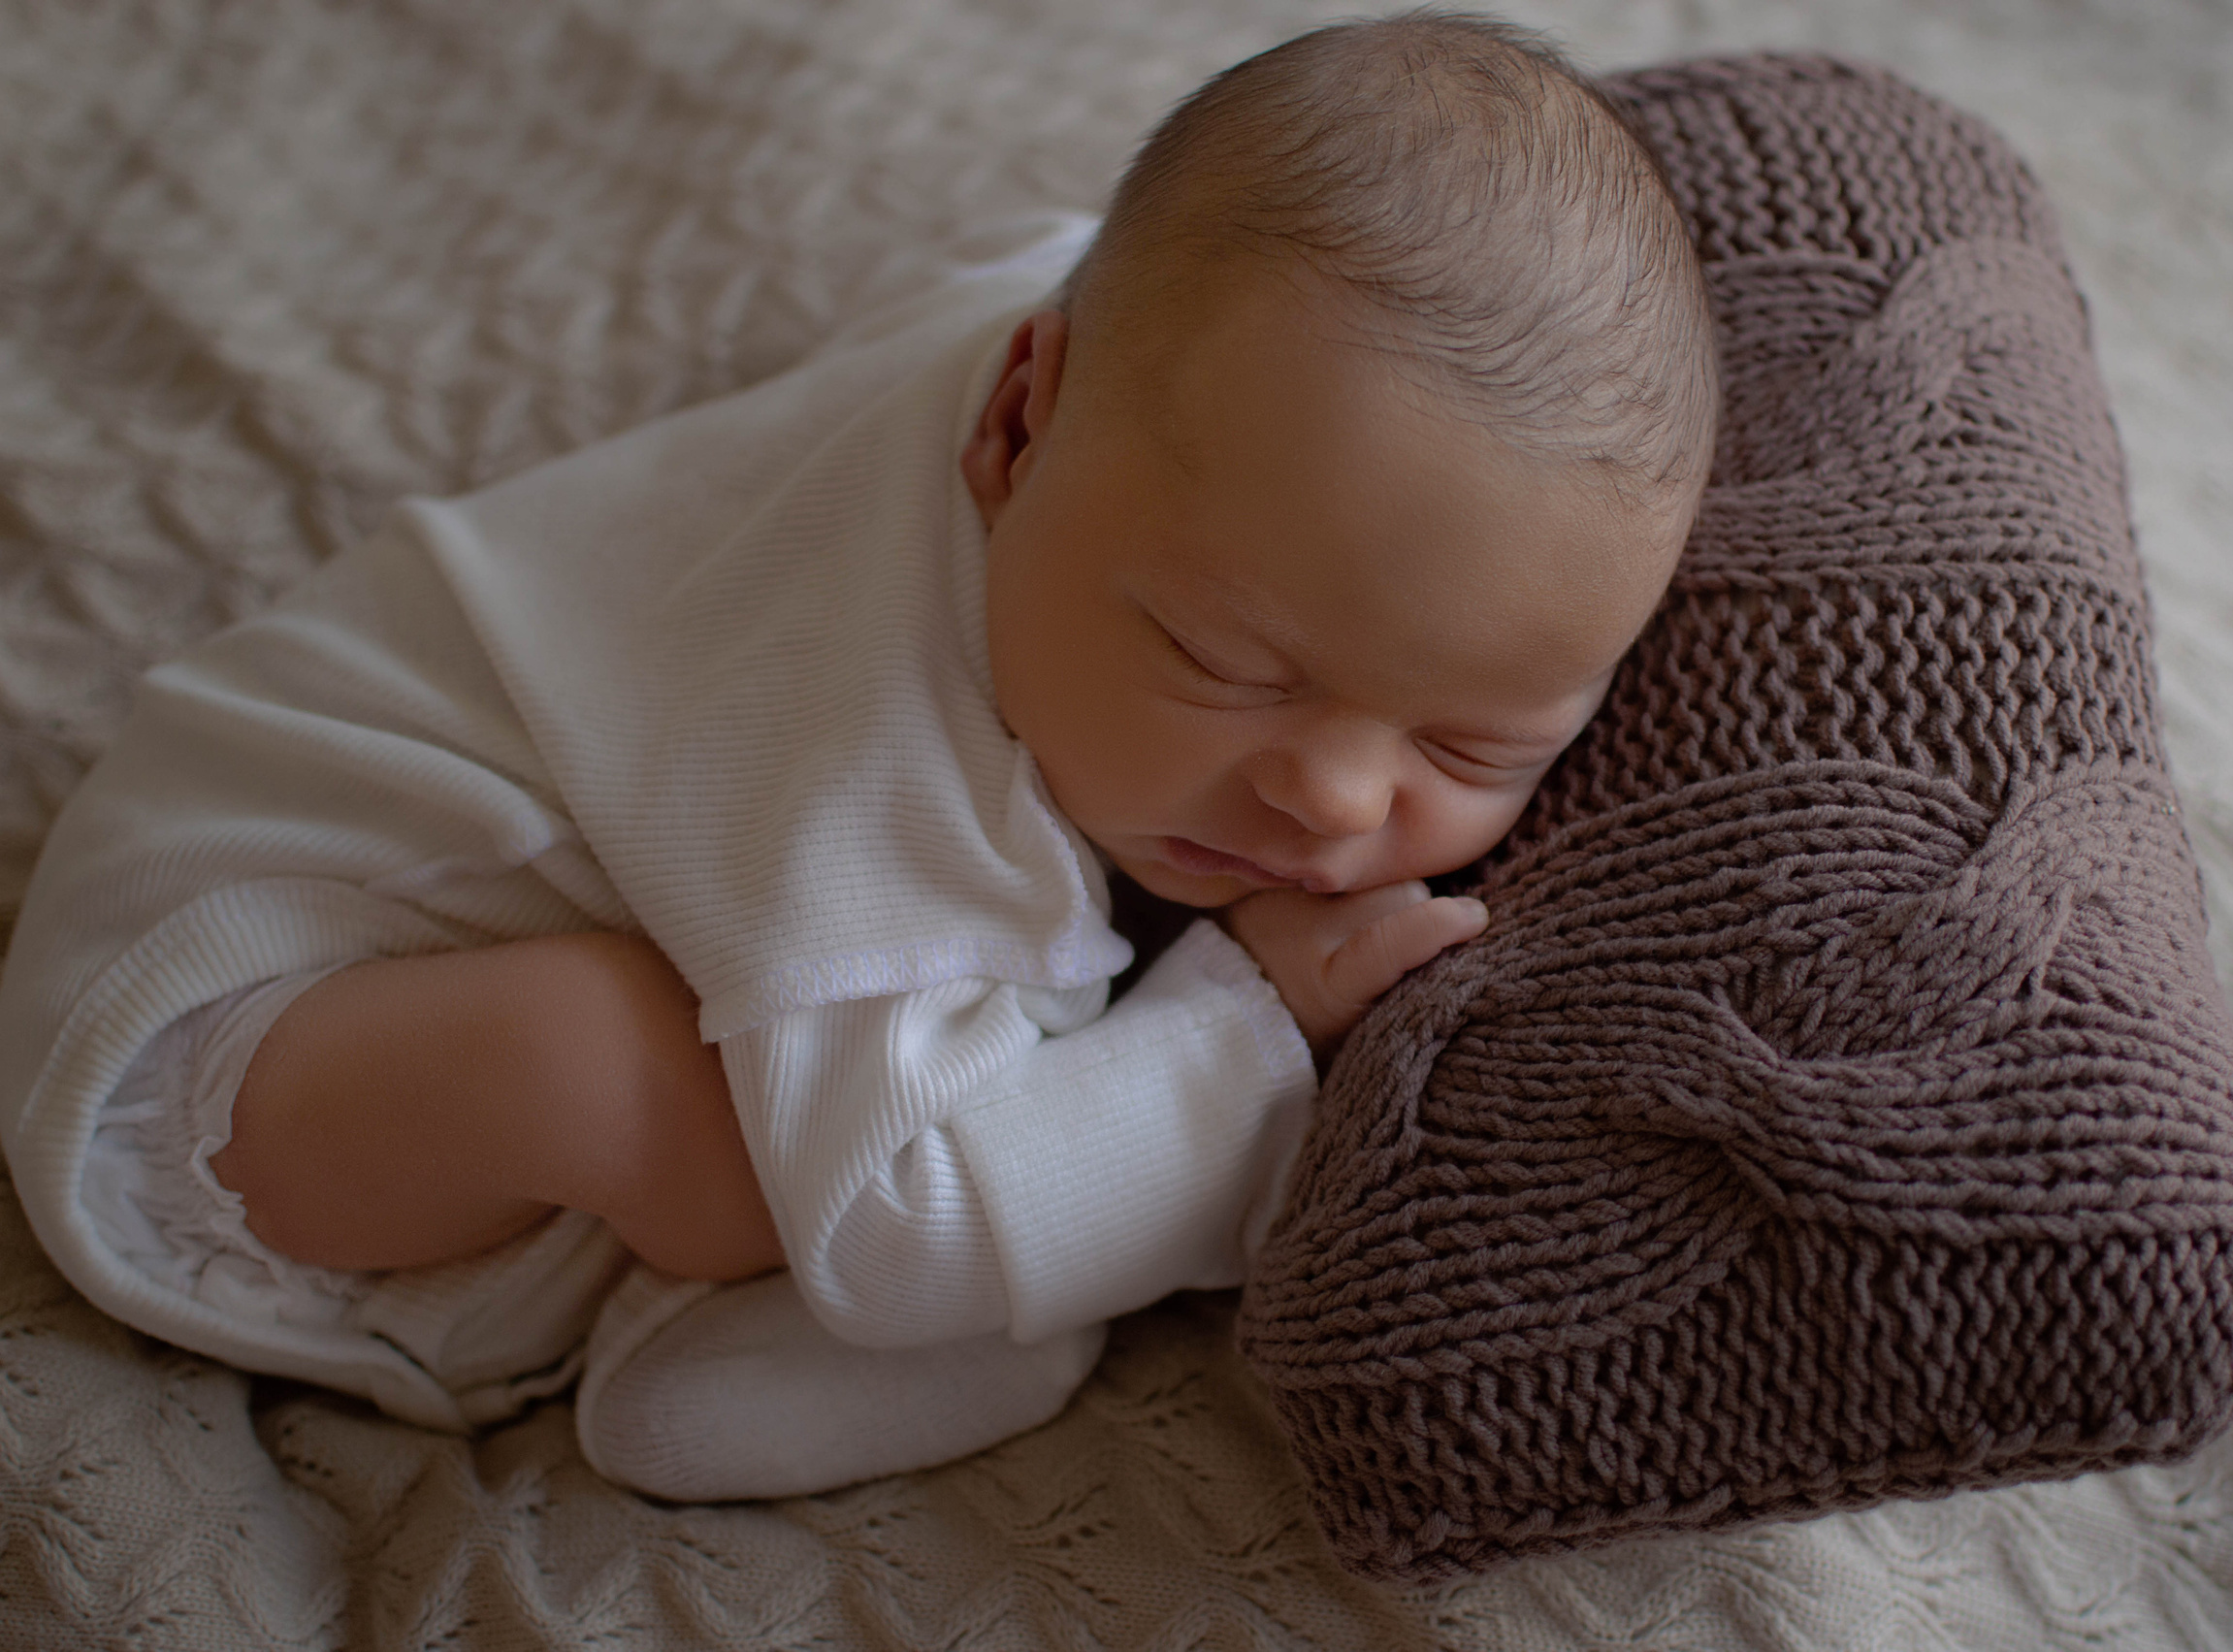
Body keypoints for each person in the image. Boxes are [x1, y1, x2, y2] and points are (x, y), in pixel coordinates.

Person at [0, 11, 1717, 1500]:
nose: (1340, 801)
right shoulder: (873, 784)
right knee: (601, 1053)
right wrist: (1247, 1038)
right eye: (1223, 659)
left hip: (305, 907)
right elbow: (907, 1227)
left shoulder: (1103, 373)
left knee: (669, 1052)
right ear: (1019, 420)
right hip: (217, 1049)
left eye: (1473, 741)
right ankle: (812, 1332)